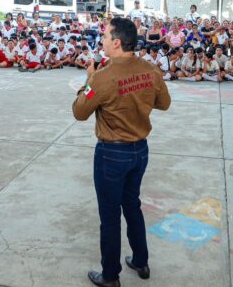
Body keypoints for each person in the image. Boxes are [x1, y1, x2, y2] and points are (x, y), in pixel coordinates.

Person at [72, 17, 171, 287]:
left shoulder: (103, 77)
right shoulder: (150, 70)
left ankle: (110, 275)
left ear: (116, 43)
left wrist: (88, 81)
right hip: (140, 151)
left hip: (111, 154)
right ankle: (141, 260)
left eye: (105, 36)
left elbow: (80, 112)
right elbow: (164, 103)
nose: (102, 40)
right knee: (132, 205)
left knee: (110, 216)